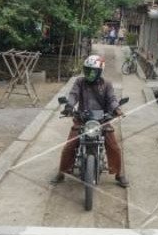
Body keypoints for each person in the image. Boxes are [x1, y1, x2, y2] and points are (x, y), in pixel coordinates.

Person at [52, 55, 129, 188]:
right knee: (69, 146)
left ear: (100, 71)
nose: (90, 73)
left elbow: (111, 99)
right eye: (87, 70)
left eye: (93, 71)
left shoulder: (107, 84)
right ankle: (62, 172)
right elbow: (73, 95)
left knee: (114, 147)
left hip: (102, 120)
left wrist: (116, 109)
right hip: (82, 119)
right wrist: (69, 106)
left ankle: (119, 174)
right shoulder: (79, 82)